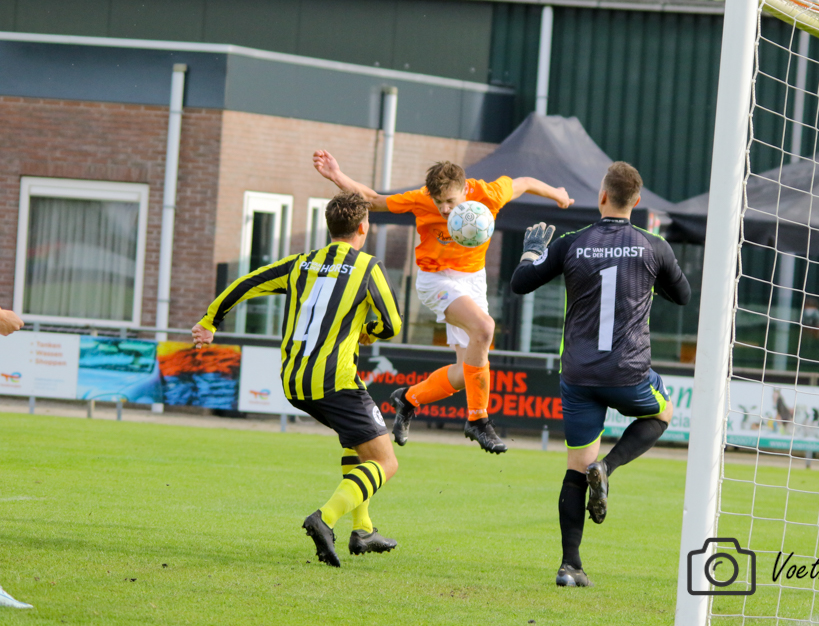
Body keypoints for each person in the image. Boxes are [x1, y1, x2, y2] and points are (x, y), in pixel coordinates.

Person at [191, 191, 403, 567]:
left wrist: (210, 321)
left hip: (294, 382)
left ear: (329, 227)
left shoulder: (300, 263)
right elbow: (392, 324)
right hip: (334, 381)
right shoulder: (368, 267)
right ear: (363, 227)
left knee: (358, 444)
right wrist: (368, 329)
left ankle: (364, 529)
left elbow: (247, 282)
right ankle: (325, 519)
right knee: (386, 463)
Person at [313, 150, 574, 454]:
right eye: (439, 203)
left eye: (450, 201)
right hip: (436, 280)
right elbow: (374, 199)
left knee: (465, 372)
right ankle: (478, 420)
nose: (445, 209)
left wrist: (557, 194)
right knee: (485, 328)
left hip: (473, 279)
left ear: (466, 189)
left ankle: (408, 398)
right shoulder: (421, 198)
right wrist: (336, 175)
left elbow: (525, 182)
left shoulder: (488, 194)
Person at [509, 161, 691, 587]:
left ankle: (570, 566)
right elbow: (682, 296)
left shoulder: (572, 243)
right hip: (628, 373)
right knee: (663, 413)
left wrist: (531, 253)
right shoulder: (653, 245)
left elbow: (519, 283)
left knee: (576, 468)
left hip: (578, 376)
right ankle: (608, 467)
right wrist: (652, 276)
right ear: (637, 201)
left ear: (602, 196)